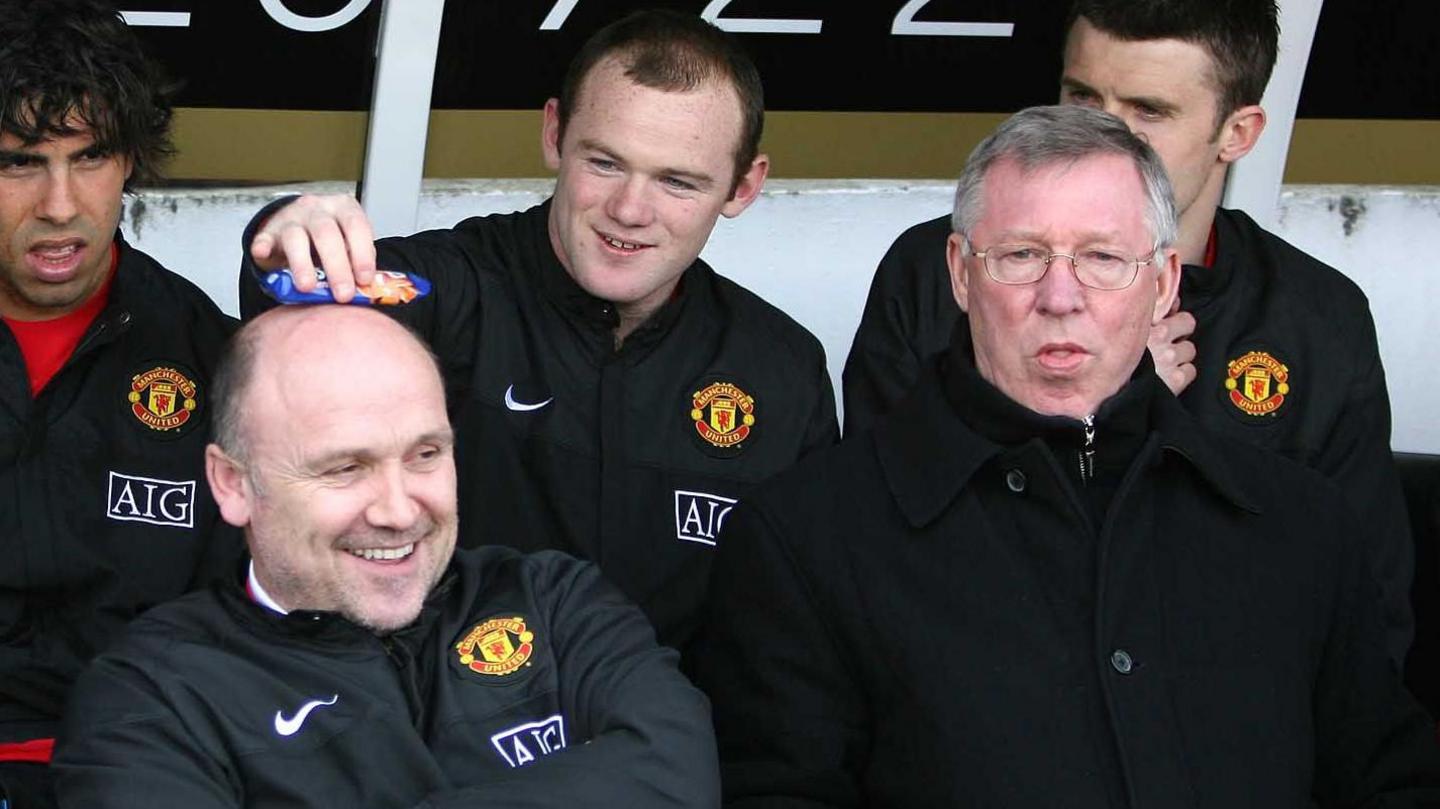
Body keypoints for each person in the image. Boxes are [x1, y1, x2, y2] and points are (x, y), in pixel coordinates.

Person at [696, 105, 1440, 807]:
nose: (1061, 295)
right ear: (959, 271)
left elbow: (1390, 781)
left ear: (1163, 282)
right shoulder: (808, 538)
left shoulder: (1299, 527)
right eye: (1021, 255)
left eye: (1102, 258)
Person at [235, 9, 837, 657]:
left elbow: (792, 640)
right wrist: (286, 241)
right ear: (554, 133)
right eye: (605, 163)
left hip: (661, 745)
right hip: (426, 736)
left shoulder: (782, 369)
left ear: (743, 186)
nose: (630, 210)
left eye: (677, 181)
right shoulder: (449, 288)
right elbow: (300, 312)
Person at [841, 0, 1412, 664]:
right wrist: (1070, 406)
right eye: (1082, 95)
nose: (1099, 136)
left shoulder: (1315, 320)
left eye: (1149, 111)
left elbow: (1366, 615)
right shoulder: (944, 271)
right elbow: (869, 555)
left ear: (1238, 132)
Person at [53, 305, 719, 808]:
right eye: (345, 468)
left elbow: (679, 774)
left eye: (426, 454)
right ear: (233, 483)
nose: (399, 509)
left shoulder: (555, 600)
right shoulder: (152, 695)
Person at [0, 2, 238, 805]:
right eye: (19, 162)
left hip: (140, 761)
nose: (61, 205)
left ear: (131, 158)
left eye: (90, 155)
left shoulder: (211, 352)